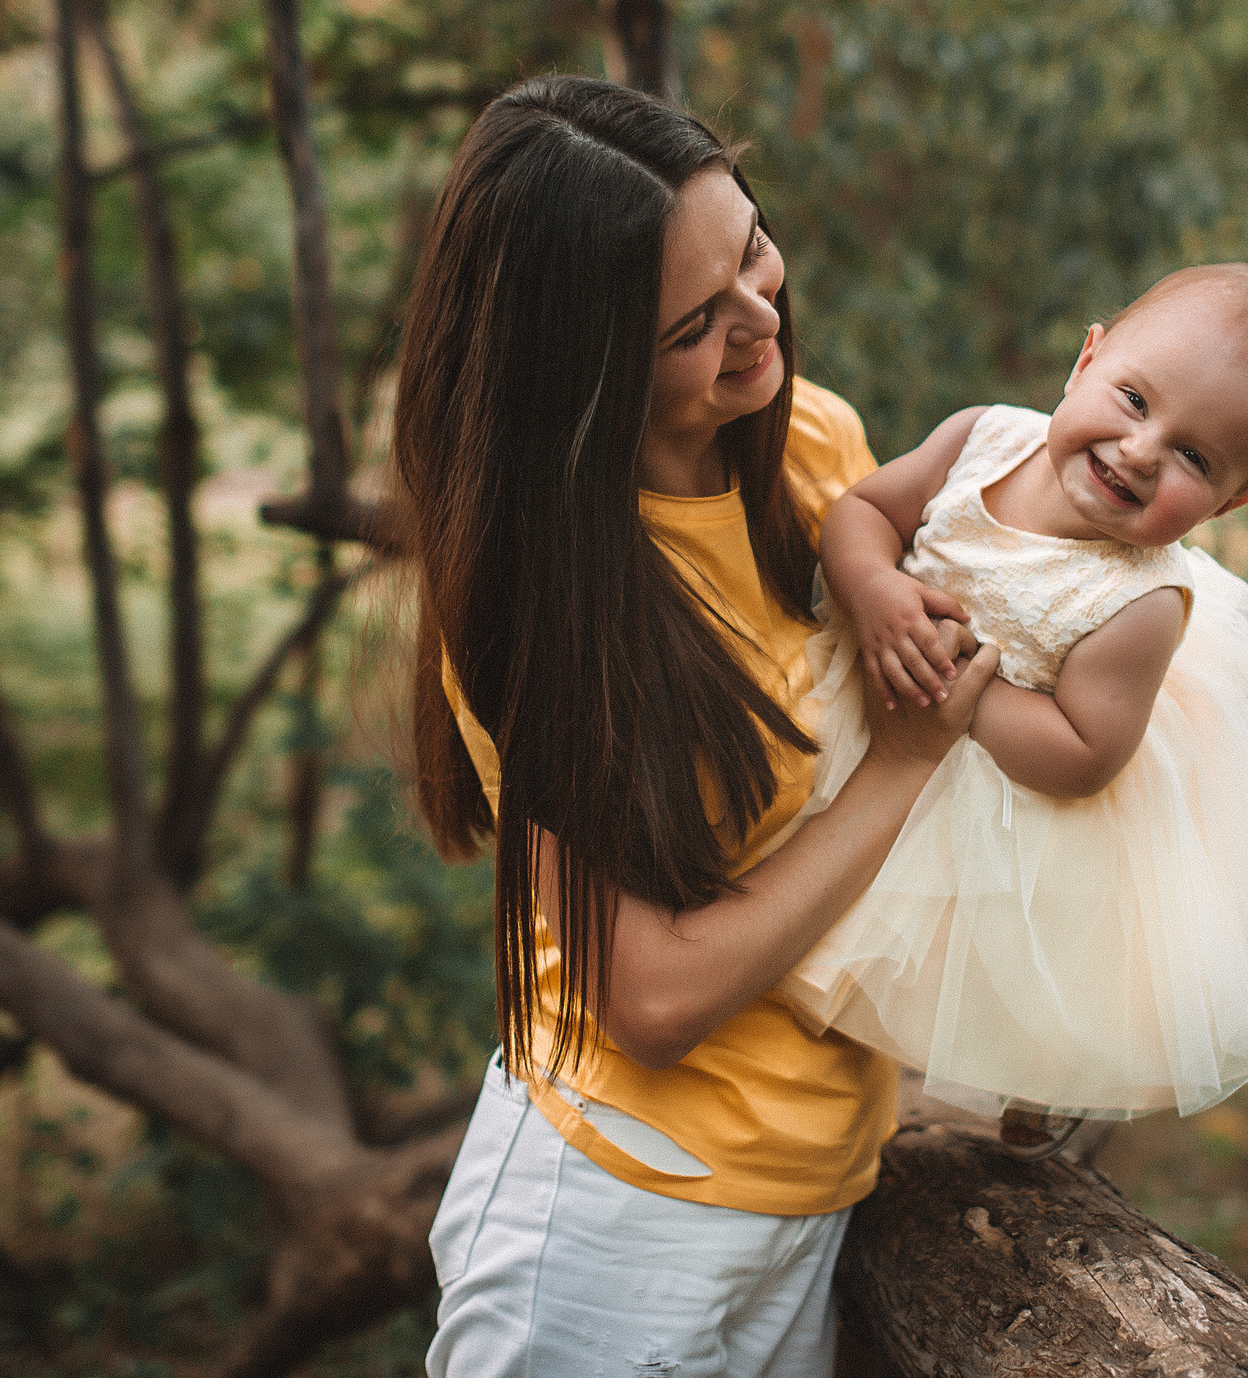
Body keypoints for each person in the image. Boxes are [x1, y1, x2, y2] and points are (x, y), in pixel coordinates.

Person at [394, 75, 999, 1377]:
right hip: (623, 1216)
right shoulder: (545, 598)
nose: (759, 314)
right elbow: (651, 995)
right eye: (692, 325)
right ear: (583, 367)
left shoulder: (818, 447)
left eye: (754, 248)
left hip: (812, 1185)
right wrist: (901, 769)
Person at [778, 264, 1248, 1156]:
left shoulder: (1141, 602)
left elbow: (1085, 753)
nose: (1140, 450)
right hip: (889, 705)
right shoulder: (983, 438)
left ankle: (1046, 1081)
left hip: (1018, 777)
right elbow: (862, 510)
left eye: (1195, 458)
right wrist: (877, 588)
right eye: (1133, 398)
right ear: (1087, 360)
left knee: (1029, 949)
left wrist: (962, 694)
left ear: (1233, 501)